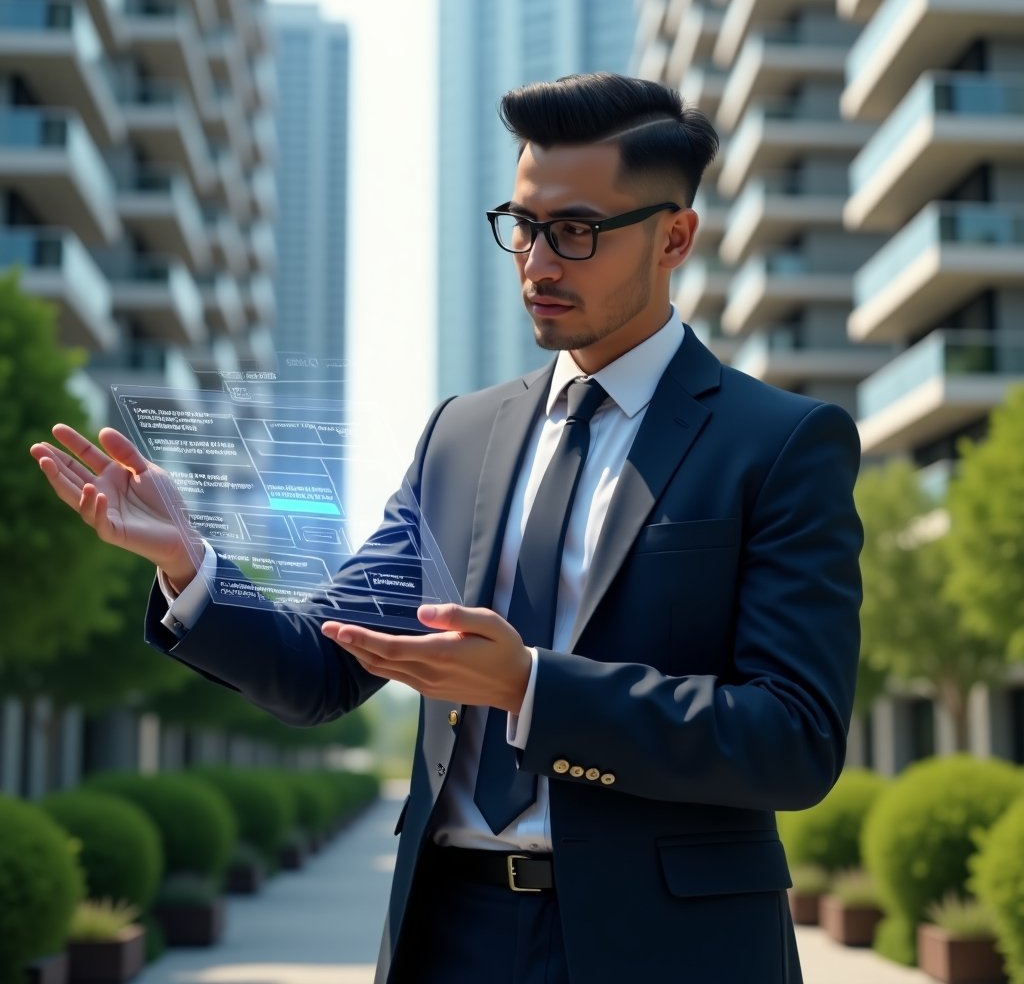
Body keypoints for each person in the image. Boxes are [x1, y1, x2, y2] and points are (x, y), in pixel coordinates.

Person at [31, 72, 862, 984]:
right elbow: (324, 664)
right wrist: (191, 566)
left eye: (576, 232)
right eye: (524, 226)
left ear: (675, 237)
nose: (538, 264)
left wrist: (533, 688)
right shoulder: (459, 436)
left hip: (669, 948)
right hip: (448, 934)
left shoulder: (778, 443)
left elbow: (795, 738)